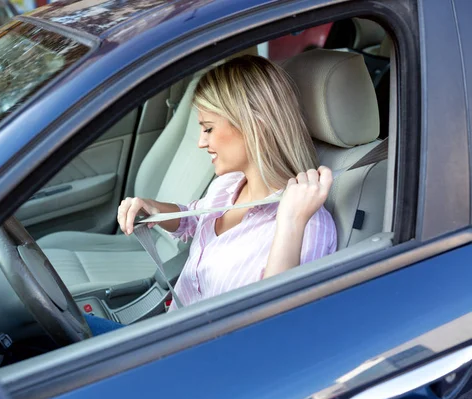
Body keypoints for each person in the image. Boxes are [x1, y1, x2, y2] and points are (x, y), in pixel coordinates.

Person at [85, 54, 337, 333]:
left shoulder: (308, 224)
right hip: (170, 333)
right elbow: (195, 221)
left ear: (255, 125)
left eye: (208, 129)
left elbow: (276, 328)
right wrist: (154, 209)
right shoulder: (229, 185)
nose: (201, 142)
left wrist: (290, 223)